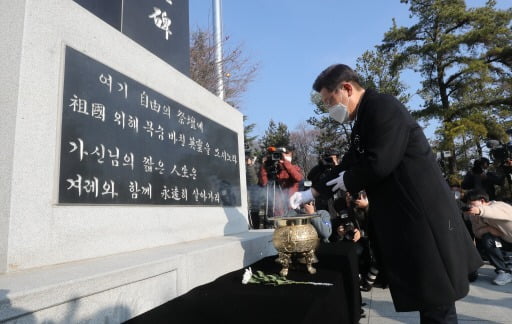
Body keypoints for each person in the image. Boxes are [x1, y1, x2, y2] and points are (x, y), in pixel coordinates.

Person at [290, 64, 482, 323]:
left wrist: (348, 179)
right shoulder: (364, 118)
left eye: (329, 100)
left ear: (347, 88)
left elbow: (379, 161)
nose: (328, 108)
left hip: (424, 216)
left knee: (437, 298)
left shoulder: (382, 107)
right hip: (408, 217)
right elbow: (350, 162)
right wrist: (312, 192)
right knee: (429, 296)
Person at [464, 189, 512, 285]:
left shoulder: (499, 205)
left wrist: (480, 210)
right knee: (487, 239)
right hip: (504, 241)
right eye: (468, 204)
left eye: (472, 203)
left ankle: (508, 262)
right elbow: (476, 232)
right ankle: (504, 271)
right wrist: (488, 229)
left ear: (482, 201)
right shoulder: (475, 215)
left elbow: (494, 211)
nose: (470, 206)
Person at [259, 146, 303, 217]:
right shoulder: (273, 170)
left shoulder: (294, 168)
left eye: (286, 154)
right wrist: (264, 166)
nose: (282, 157)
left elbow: (298, 178)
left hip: (291, 207)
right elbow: (264, 183)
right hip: (276, 208)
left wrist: (285, 163)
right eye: (281, 154)